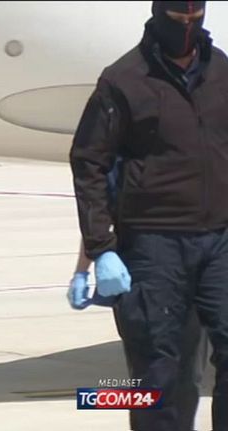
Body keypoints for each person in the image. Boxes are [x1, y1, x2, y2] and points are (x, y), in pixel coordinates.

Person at [70, 1, 228, 429]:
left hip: (219, 240)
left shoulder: (221, 72)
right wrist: (99, 250)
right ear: (159, 15)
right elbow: (90, 164)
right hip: (153, 246)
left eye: (195, 19)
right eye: (178, 20)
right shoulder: (123, 80)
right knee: (157, 368)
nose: (188, 28)